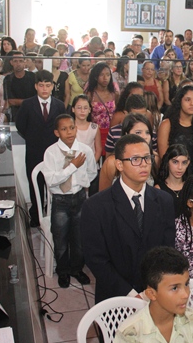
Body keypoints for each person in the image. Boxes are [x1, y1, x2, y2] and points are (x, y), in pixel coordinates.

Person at [82, 134, 175, 303]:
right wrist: (132, 295)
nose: (144, 165)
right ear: (119, 164)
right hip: (115, 296)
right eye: (135, 160)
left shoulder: (164, 200)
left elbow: (168, 249)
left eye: (147, 158)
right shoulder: (96, 207)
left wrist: (153, 288)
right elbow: (96, 260)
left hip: (155, 293)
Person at [111, 246, 193, 343]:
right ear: (152, 294)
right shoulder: (130, 332)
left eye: (186, 284)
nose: (185, 294)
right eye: (174, 288)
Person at [42, 114, 97, 288]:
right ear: (57, 132)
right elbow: (51, 180)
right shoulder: (51, 152)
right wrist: (73, 166)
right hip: (60, 201)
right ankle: (63, 270)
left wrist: (84, 184)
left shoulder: (85, 150)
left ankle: (76, 269)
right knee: (60, 240)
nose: (69, 132)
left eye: (72, 127)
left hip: (79, 198)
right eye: (64, 129)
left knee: (79, 238)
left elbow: (92, 172)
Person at [16, 70, 66, 227]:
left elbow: (62, 126)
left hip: (54, 151)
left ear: (52, 86)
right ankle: (36, 216)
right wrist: (32, 138)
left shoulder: (59, 105)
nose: (45, 89)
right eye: (41, 85)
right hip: (34, 150)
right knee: (35, 183)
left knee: (54, 183)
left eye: (48, 85)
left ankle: (55, 214)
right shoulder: (27, 104)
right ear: (36, 86)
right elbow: (20, 126)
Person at [99, 113, 158, 192]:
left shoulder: (155, 158)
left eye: (147, 132)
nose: (144, 136)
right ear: (126, 134)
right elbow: (102, 196)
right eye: (138, 132)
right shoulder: (112, 163)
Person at [157, 86, 193, 161]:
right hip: (172, 170)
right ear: (180, 101)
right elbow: (164, 156)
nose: (192, 103)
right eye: (187, 100)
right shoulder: (167, 124)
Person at [155, 144, 190, 214]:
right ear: (167, 162)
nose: (180, 167)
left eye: (184, 163)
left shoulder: (191, 186)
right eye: (175, 162)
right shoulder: (158, 189)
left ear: (188, 163)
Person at [3, 50, 36, 121]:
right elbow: (10, 101)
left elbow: (36, 99)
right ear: (11, 62)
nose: (18, 63)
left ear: (25, 62)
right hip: (15, 114)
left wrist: (18, 102)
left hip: (33, 112)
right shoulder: (8, 79)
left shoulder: (33, 76)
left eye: (21, 61)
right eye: (15, 61)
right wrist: (29, 102)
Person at [71, 95, 101, 162]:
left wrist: (92, 164)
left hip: (91, 164)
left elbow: (98, 149)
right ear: (73, 109)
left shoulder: (94, 128)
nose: (82, 111)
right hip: (72, 164)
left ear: (89, 110)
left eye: (85, 108)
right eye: (79, 108)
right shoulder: (69, 127)